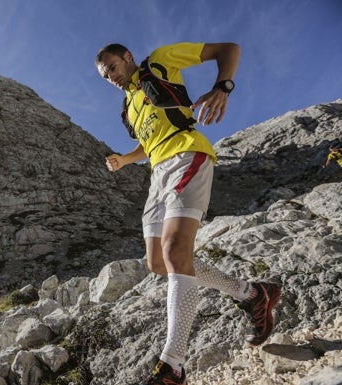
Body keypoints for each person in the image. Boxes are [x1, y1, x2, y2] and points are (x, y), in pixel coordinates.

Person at [95, 42, 281, 385]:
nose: (112, 76)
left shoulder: (160, 62)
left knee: (174, 251)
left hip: (186, 155)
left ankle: (173, 365)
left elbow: (229, 49)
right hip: (157, 174)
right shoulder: (129, 107)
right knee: (158, 263)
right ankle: (253, 294)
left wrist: (222, 87)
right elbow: (147, 144)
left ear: (127, 58)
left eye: (113, 67)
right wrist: (125, 158)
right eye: (106, 75)